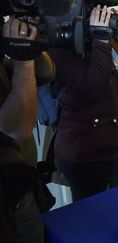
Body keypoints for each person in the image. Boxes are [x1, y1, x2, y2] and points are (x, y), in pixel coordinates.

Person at [48, 5, 118, 202]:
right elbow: (94, 88)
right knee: (91, 218)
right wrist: (100, 38)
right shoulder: (61, 45)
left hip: (113, 147)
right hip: (84, 155)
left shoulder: (104, 42)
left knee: (113, 209)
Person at [0, 17, 44, 243]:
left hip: (21, 187)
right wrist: (23, 58)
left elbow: (47, 72)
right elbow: (17, 127)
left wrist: (37, 37)